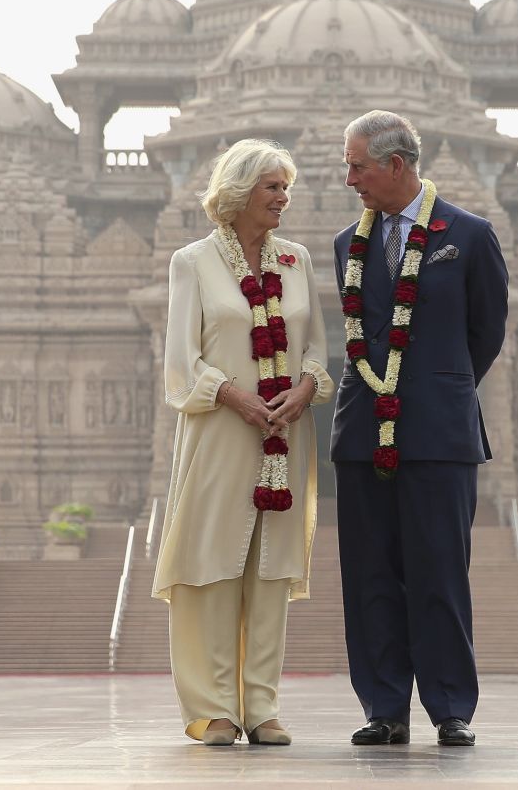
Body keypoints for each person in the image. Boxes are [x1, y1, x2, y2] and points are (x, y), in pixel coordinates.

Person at [331, 110, 508, 747]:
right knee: (369, 574)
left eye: (357, 166)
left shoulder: (469, 234)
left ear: (396, 165)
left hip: (438, 432)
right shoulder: (345, 243)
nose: (349, 178)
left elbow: (485, 335)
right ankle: (384, 706)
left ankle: (450, 705)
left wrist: (437, 384)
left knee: (438, 570)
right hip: (361, 432)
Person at [152, 138, 334, 746]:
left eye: (286, 187)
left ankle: (261, 706)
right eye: (272, 187)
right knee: (210, 562)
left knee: (271, 569)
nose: (284, 198)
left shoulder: (295, 261)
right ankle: (212, 708)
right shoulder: (193, 262)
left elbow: (315, 346)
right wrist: (238, 397)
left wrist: (305, 388)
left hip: (285, 432)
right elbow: (182, 362)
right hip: (220, 431)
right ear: (237, 193)